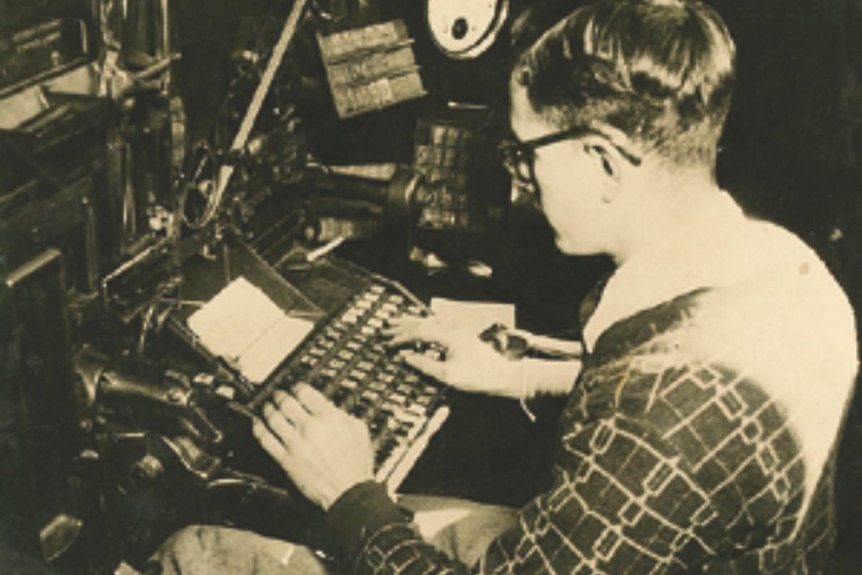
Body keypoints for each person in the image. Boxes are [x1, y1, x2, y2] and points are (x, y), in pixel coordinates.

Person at [154, 0, 858, 573]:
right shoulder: (784, 266)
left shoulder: (658, 413)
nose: (518, 185)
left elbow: (662, 417)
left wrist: (350, 495)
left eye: (525, 154)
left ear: (605, 161)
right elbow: (678, 392)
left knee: (202, 546)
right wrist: (524, 368)